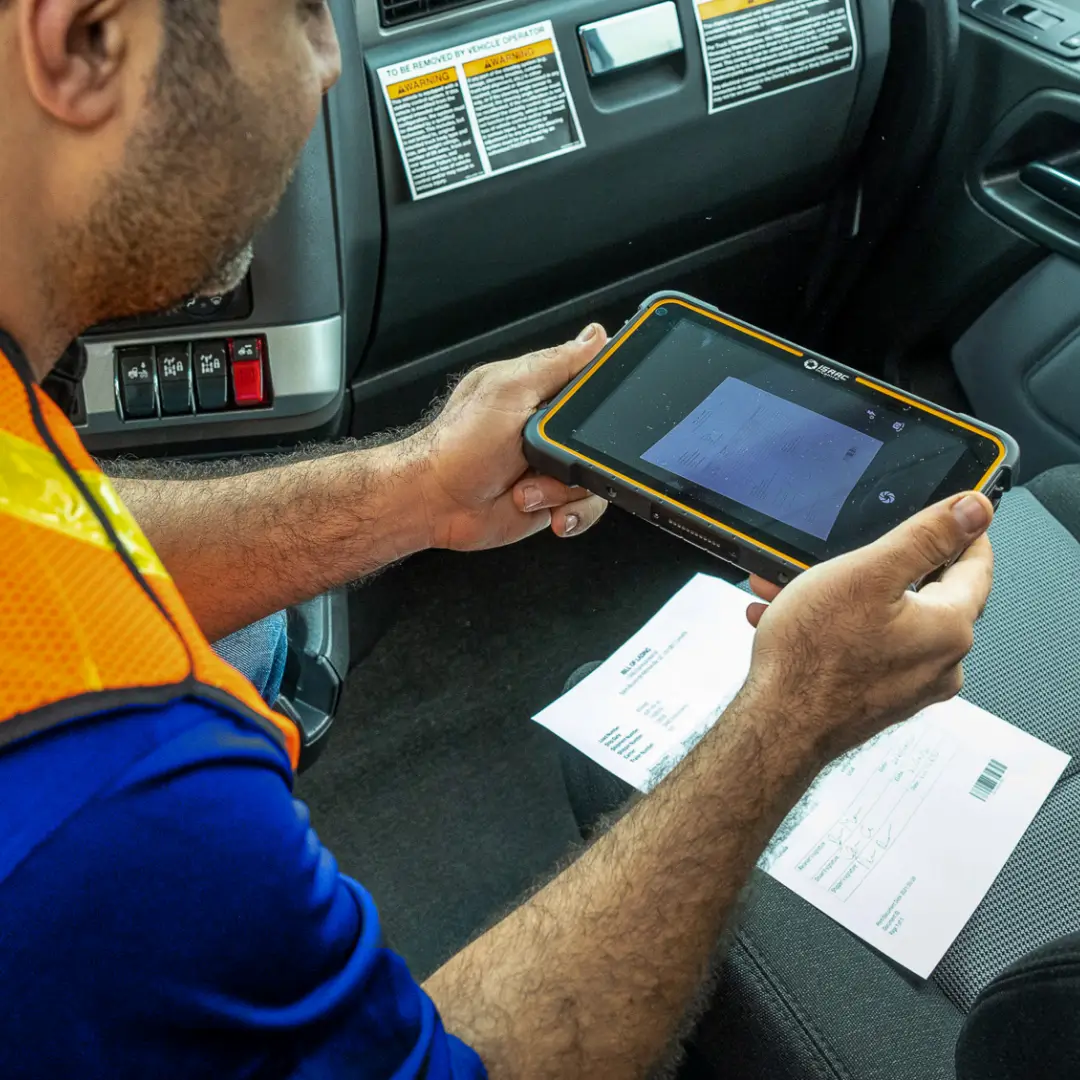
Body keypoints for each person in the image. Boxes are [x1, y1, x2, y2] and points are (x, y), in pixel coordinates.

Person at [0, 1, 997, 1077]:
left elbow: (46, 536)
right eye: (298, 13)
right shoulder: (129, 803)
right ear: (83, 38)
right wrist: (792, 717)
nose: (338, 66)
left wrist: (415, 488)